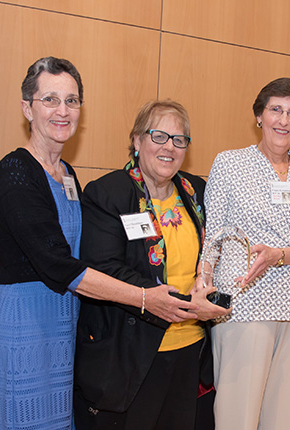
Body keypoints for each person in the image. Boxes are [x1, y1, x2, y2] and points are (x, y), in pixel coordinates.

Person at [0, 57, 198, 430]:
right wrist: (146, 298)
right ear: (27, 108)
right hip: (29, 320)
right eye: (50, 99)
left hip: (70, 320)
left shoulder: (68, 174)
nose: (62, 111)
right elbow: (58, 264)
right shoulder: (15, 171)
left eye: (71, 101)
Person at [73, 100, 230, 430]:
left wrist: (207, 284)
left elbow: (213, 252)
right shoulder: (108, 193)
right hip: (130, 354)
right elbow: (105, 266)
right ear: (136, 140)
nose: (169, 147)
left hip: (188, 350)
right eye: (158, 136)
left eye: (179, 139)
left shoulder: (196, 190)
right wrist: (178, 301)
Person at [203, 77, 290, 429]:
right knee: (236, 414)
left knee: (280, 416)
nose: (283, 120)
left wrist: (278, 255)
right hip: (243, 303)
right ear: (259, 115)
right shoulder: (229, 163)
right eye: (275, 109)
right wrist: (204, 281)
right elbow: (212, 236)